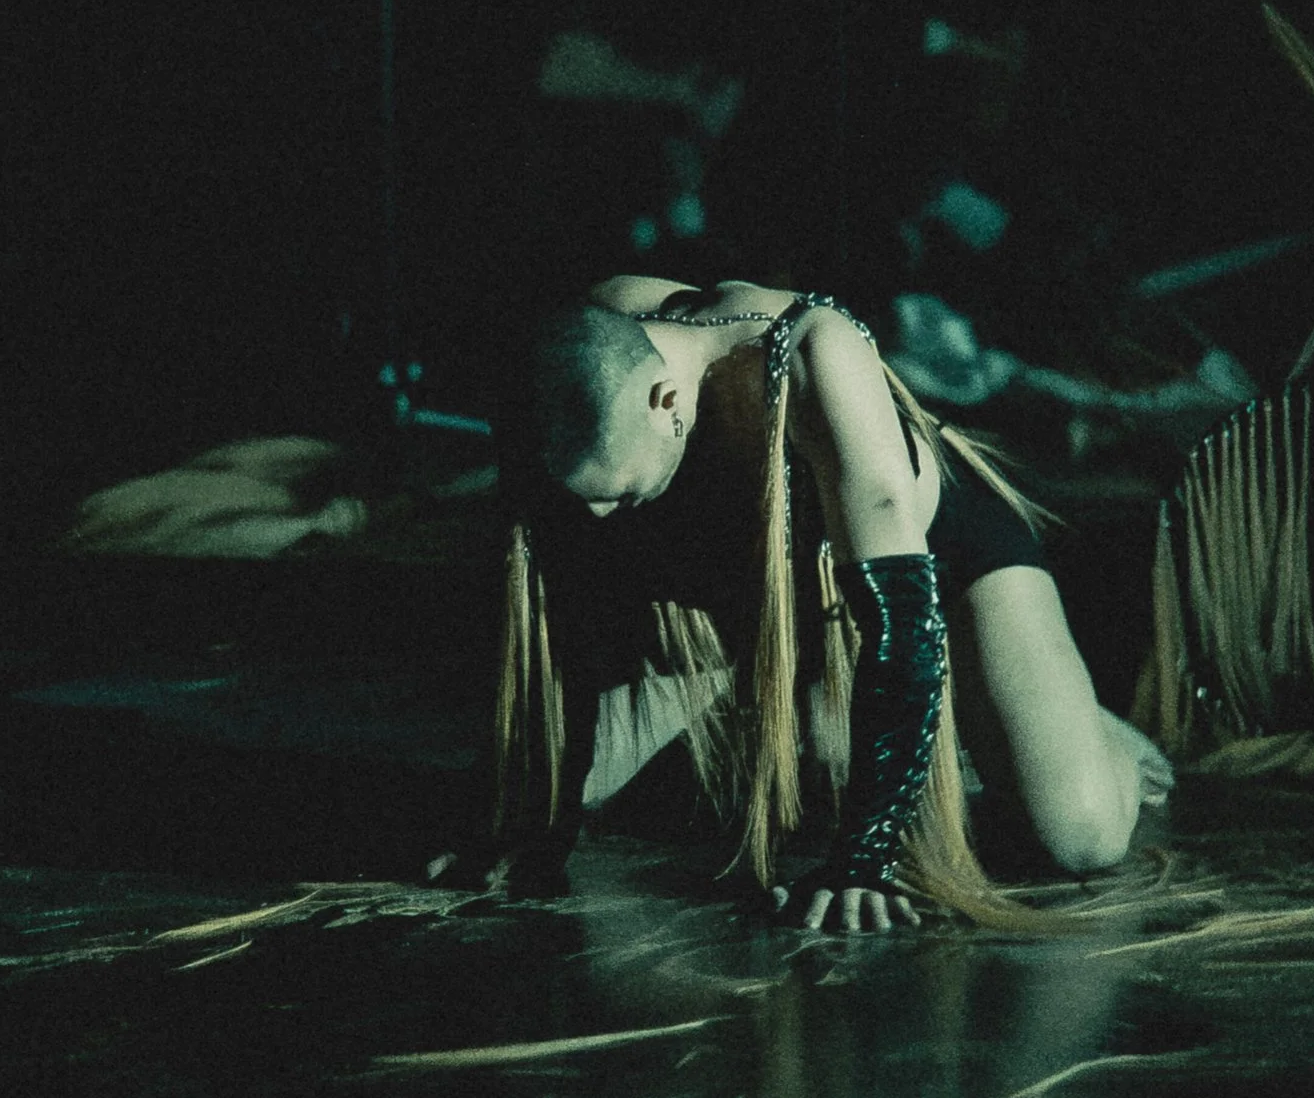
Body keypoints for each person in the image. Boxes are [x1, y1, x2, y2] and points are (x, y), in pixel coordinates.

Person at [474, 276, 1173, 933]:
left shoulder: (814, 357)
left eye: (619, 495)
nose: (598, 519)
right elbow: (562, 623)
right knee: (536, 792)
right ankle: (789, 695)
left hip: (938, 565)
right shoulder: (591, 339)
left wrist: (862, 859)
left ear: (664, 400)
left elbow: (902, 629)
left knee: (1078, 835)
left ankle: (1089, 724)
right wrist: (532, 825)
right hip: (753, 608)